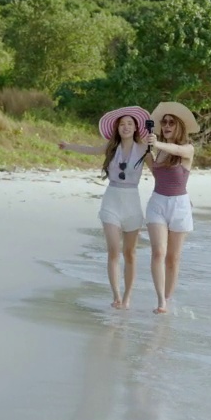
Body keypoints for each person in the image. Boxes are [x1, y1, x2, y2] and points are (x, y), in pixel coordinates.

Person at [58, 106, 152, 309]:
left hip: (132, 202)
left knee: (130, 253)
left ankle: (127, 298)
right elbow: (91, 150)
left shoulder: (144, 149)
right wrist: (68, 146)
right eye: (122, 124)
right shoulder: (111, 147)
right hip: (112, 200)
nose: (125, 127)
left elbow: (159, 171)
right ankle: (116, 296)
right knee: (113, 250)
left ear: (136, 127)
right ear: (117, 128)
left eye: (129, 123)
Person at [144, 101, 199, 314]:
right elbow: (153, 168)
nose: (166, 126)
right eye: (164, 122)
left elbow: (175, 148)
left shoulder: (187, 149)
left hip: (180, 206)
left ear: (179, 127)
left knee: (173, 258)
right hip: (158, 202)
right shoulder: (158, 150)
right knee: (158, 252)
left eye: (171, 123)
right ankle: (161, 301)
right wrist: (144, 146)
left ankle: (168, 296)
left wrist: (156, 145)